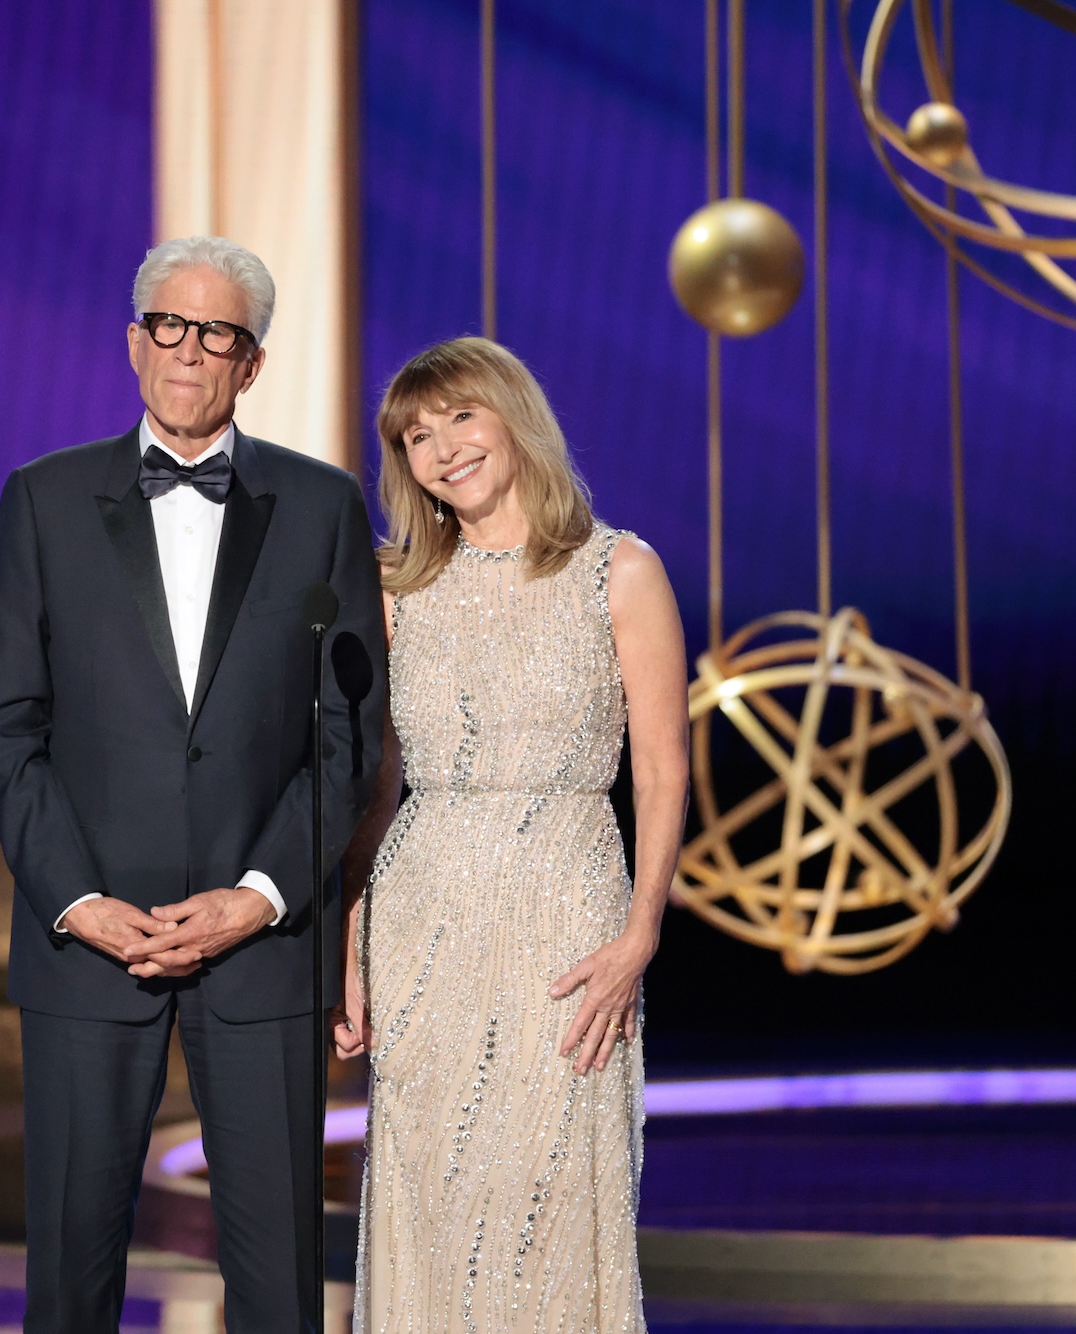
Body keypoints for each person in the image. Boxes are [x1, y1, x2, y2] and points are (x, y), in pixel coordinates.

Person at [0, 235, 387, 1333]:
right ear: (131, 341)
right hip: (84, 942)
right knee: (69, 1272)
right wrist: (78, 900)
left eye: (217, 334)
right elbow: (8, 725)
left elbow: (347, 733)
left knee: (281, 1280)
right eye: (168, 324)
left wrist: (257, 893)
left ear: (250, 364)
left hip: (263, 944)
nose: (188, 352)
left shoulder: (322, 504)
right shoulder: (42, 500)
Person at [333, 338, 689, 1332]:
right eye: (414, 433)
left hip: (565, 909)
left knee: (551, 1178)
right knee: (430, 1189)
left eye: (458, 417)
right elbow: (373, 786)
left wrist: (638, 933)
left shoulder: (618, 570)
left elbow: (663, 770)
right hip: (422, 911)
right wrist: (349, 934)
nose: (440, 446)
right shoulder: (398, 590)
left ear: (511, 417)